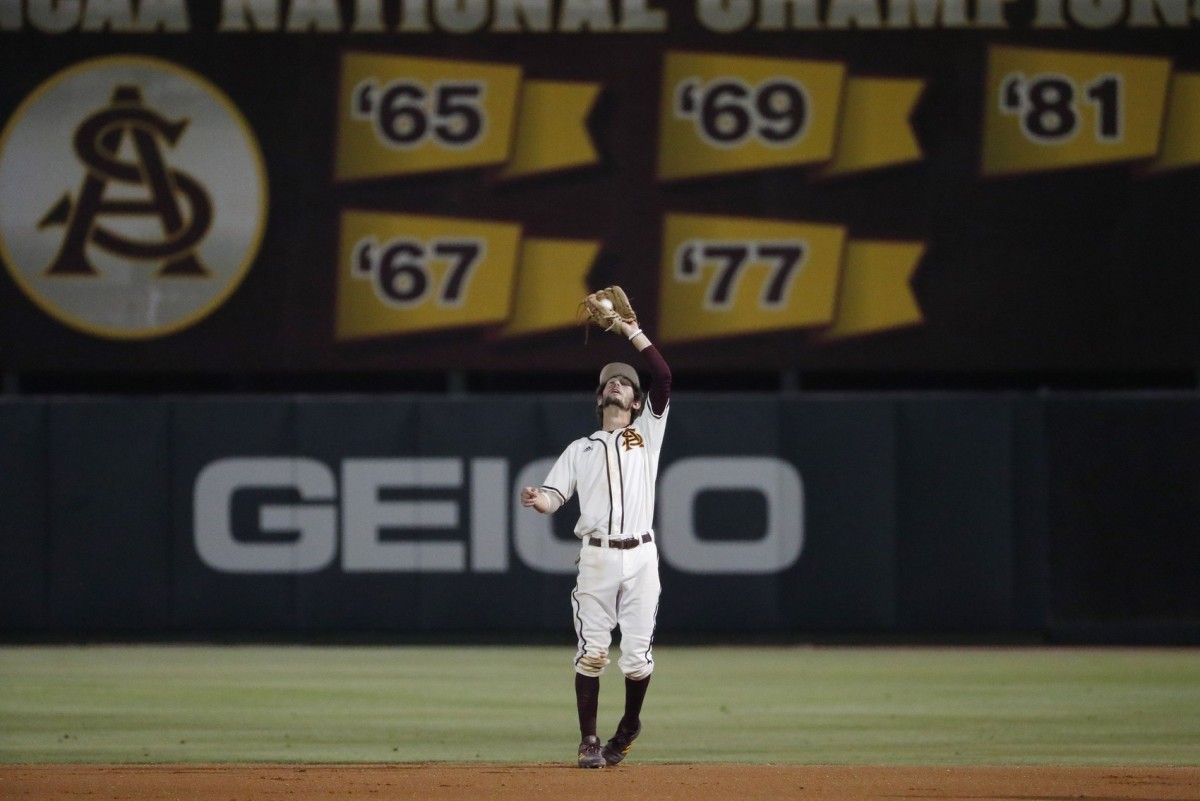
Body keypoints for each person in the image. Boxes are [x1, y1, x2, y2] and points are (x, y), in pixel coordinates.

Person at [519, 312, 672, 769]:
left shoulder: (645, 434)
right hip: (598, 557)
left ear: (637, 398)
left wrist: (630, 332)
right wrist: (538, 499)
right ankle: (589, 740)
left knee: (638, 660)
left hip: (642, 555)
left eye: (625, 382)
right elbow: (553, 497)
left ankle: (628, 728)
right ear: (600, 395)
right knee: (593, 653)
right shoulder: (580, 448)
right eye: (611, 382)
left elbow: (663, 374)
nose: (618, 385)